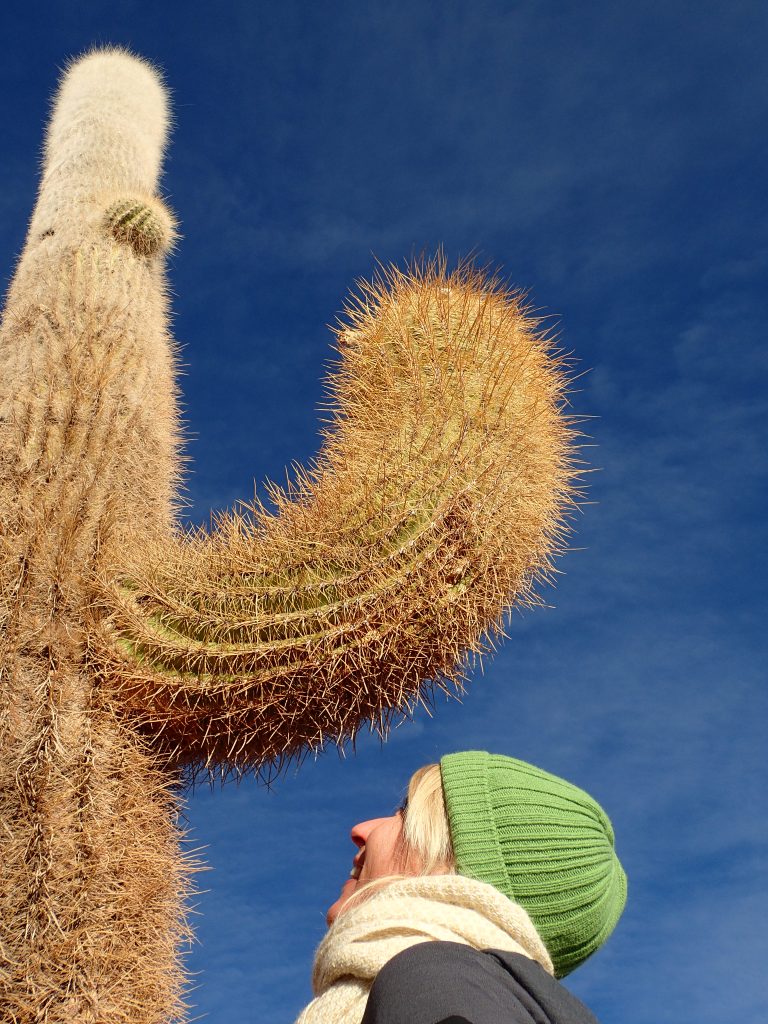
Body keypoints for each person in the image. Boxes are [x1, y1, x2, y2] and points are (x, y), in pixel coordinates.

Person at [296, 751, 627, 1024]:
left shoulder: (431, 978)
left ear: (454, 868)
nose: (361, 829)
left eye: (406, 813)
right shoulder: (463, 992)